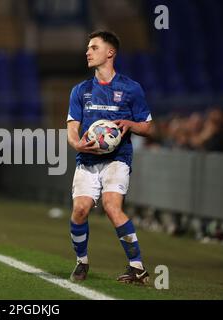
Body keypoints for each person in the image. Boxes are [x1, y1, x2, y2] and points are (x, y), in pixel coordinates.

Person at [66, 31, 152, 284]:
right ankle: (82, 262)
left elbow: (147, 127)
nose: (88, 52)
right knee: (80, 210)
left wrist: (129, 123)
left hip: (118, 158)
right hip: (87, 160)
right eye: (88, 48)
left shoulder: (130, 88)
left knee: (112, 207)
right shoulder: (80, 91)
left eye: (93, 47)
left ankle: (137, 267)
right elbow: (72, 128)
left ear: (110, 53)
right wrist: (77, 144)